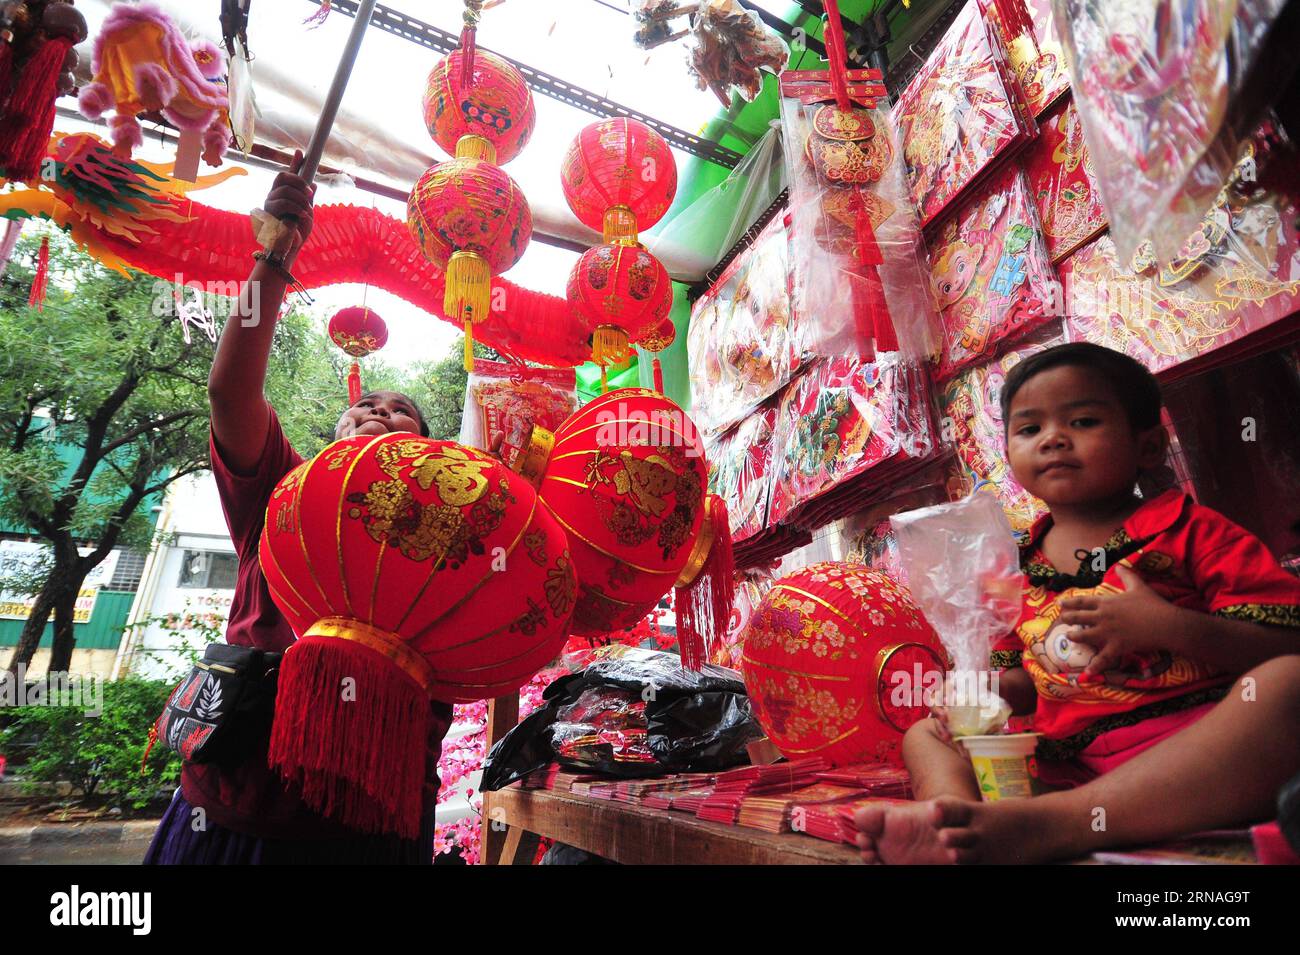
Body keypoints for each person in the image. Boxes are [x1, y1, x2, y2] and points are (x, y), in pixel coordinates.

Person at [855, 342, 1300, 864]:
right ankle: (953, 822)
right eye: (1029, 429)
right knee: (926, 734)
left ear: (1149, 446)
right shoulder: (1008, 569)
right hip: (1071, 763)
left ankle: (1048, 827)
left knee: (1287, 684)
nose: (1053, 439)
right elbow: (1021, 685)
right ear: (1011, 455)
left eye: (1084, 421)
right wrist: (983, 692)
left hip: (1198, 752)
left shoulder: (1193, 531)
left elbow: (1284, 642)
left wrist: (1170, 627)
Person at [145, 154, 454, 864]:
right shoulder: (284, 487)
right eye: (364, 406)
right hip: (234, 803)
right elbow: (229, 393)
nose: (379, 408)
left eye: (401, 410)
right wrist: (273, 257)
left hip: (375, 814)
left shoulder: (451, 533)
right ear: (333, 436)